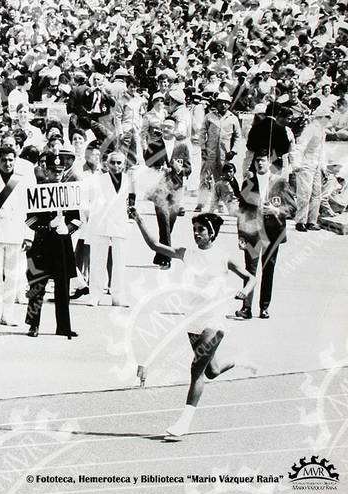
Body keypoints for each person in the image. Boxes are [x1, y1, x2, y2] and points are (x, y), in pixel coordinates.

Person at [128, 208, 255, 436]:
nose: (197, 233)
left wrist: (245, 292)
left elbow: (251, 278)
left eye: (202, 230)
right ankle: (239, 361)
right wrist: (139, 220)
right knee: (211, 371)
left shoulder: (224, 256)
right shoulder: (187, 252)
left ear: (212, 233)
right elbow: (156, 246)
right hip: (192, 318)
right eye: (195, 229)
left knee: (196, 369)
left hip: (214, 319)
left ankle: (183, 423)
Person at [231, 149, 295, 320]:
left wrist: (276, 210)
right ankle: (246, 308)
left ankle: (264, 307)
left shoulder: (280, 183)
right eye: (257, 160)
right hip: (252, 232)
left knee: (268, 270)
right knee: (249, 270)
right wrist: (241, 236)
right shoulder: (248, 183)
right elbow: (242, 211)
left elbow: (292, 208)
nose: (260, 163)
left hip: (272, 233)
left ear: (269, 163)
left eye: (263, 160)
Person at [25, 151, 81, 340]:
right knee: (37, 286)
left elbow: (78, 218)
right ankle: (33, 324)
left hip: (62, 243)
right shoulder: (37, 191)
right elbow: (29, 220)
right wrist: (47, 226)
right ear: (45, 171)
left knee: (63, 287)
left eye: (60, 171)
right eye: (52, 171)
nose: (56, 174)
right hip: (41, 243)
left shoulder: (69, 191)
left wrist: (69, 228)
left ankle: (64, 326)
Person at [0, 146, 34, 326]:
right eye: (4, 160)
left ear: (15, 160)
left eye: (11, 160)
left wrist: (29, 236)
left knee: (13, 276)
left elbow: (30, 210)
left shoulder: (22, 180)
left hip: (16, 233)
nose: (8, 163)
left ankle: (8, 314)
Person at [143, 117, 192, 269]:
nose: (166, 129)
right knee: (163, 221)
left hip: (177, 188)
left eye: (169, 127)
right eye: (164, 127)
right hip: (160, 188)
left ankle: (160, 253)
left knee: (170, 223)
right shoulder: (155, 144)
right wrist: (158, 167)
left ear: (175, 129)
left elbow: (189, 169)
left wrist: (179, 169)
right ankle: (167, 258)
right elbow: (147, 162)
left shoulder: (182, 146)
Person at [85, 151, 131, 306]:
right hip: (101, 223)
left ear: (124, 165)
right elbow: (89, 202)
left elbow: (131, 202)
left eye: (119, 163)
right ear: (107, 164)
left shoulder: (128, 180)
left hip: (120, 223)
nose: (116, 166)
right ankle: (95, 295)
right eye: (113, 163)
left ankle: (117, 296)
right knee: (98, 259)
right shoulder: (97, 180)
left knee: (120, 261)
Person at [293, 104, 332, 232]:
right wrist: (297, 164)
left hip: (316, 165)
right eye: (327, 117)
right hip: (306, 164)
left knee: (316, 194)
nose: (328, 120)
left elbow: (322, 150)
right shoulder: (310, 129)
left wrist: (323, 167)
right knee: (304, 193)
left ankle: (312, 221)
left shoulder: (322, 130)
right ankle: (300, 221)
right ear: (321, 117)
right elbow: (300, 147)